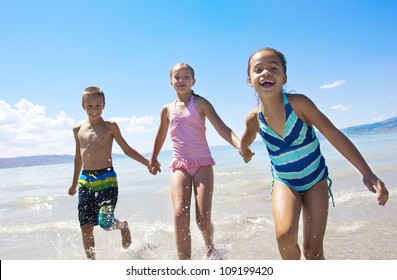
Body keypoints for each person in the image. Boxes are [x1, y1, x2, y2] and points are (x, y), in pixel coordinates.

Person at [239, 47, 389, 260]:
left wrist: (367, 172)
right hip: (285, 182)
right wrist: (244, 152)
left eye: (273, 68)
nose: (266, 73)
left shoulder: (299, 104)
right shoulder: (254, 118)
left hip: (315, 180)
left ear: (284, 77)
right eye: (258, 69)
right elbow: (246, 139)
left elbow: (334, 135)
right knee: (284, 236)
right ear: (250, 80)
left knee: (312, 251)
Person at [148, 63, 242, 260]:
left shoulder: (201, 103)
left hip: (202, 164)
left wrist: (239, 145)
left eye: (186, 76)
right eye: (177, 77)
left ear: (193, 81)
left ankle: (210, 247)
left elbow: (222, 128)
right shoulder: (167, 109)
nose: (181, 80)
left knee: (202, 219)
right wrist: (154, 158)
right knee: (180, 215)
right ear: (170, 81)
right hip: (179, 164)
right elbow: (160, 135)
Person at [68, 86, 157, 260]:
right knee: (86, 226)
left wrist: (148, 163)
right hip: (86, 180)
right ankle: (92, 264)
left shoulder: (110, 126)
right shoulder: (77, 130)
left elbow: (126, 149)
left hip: (107, 179)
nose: (94, 110)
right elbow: (78, 158)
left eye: (98, 105)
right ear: (83, 106)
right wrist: (73, 184)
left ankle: (123, 226)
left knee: (105, 223)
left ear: (104, 105)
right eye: (90, 106)